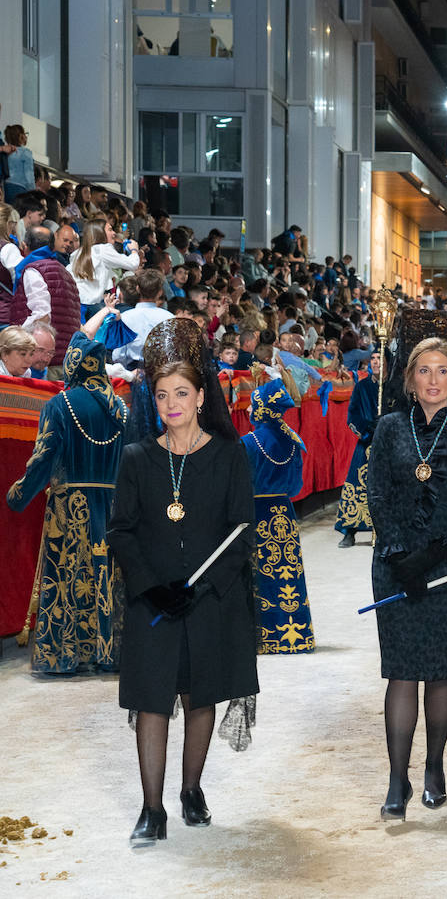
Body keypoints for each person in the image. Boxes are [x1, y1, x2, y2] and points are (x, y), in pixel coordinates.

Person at [106, 318, 258, 846]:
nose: (172, 404)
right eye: (162, 394)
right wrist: (151, 586)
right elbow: (121, 531)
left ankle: (191, 788)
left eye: (182, 393)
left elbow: (240, 532)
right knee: (151, 699)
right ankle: (153, 809)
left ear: (200, 397)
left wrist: (204, 586)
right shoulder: (136, 458)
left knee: (199, 695)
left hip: (210, 601)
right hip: (153, 602)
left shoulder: (227, 454)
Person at [368, 333, 447, 821]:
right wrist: (400, 556)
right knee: (400, 671)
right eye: (424, 371)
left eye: (443, 370)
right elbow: (377, 494)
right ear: (410, 379)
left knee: (439, 671)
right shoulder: (390, 428)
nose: (433, 379)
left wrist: (434, 554)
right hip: (394, 564)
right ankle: (398, 778)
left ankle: (434, 768)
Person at [5, 336, 127, 673]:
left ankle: (65, 655)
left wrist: (18, 495)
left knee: (68, 578)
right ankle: (108, 652)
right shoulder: (120, 407)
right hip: (112, 505)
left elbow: (43, 460)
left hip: (69, 507)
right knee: (106, 576)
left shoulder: (60, 405)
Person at [241, 379, 315, 654]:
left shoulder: (248, 442)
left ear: (261, 409)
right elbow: (297, 486)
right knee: (288, 572)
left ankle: (267, 636)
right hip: (285, 513)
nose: (248, 409)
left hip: (258, 514)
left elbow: (241, 483)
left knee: (262, 572)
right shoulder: (294, 440)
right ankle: (297, 636)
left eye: (252, 404)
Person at [12, 224, 82, 368]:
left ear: (25, 246)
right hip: (65, 358)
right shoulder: (66, 273)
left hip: (43, 361)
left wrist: (15, 337)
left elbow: (42, 315)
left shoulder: (34, 270)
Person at [336, 350, 379, 548]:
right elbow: (352, 414)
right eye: (374, 359)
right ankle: (349, 530)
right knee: (356, 484)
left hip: (389, 443)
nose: (376, 362)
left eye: (380, 358)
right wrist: (366, 430)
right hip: (367, 441)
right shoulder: (362, 386)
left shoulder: (395, 387)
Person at [69, 217, 141, 312]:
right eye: (110, 230)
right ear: (99, 233)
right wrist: (134, 250)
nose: (114, 233)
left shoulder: (77, 253)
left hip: (76, 304)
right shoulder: (103, 249)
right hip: (92, 305)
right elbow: (133, 264)